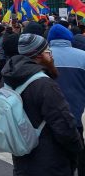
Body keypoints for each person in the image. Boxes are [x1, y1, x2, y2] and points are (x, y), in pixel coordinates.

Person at [2, 33, 82, 176]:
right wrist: (77, 149)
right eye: (47, 52)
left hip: (23, 157)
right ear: (38, 55)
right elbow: (64, 125)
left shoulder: (11, 77)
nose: (51, 56)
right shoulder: (44, 84)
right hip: (51, 162)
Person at [47, 24, 85, 175]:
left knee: (59, 162)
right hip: (79, 117)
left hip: (53, 119)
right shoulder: (83, 56)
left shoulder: (43, 58)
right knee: (82, 159)